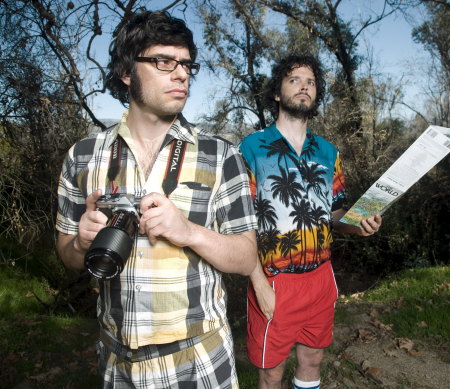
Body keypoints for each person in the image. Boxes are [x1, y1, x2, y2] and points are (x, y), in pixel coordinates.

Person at [55, 10, 257, 388]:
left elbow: (246, 257)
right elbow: (66, 254)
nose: (181, 73)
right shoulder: (81, 156)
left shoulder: (220, 155)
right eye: (164, 61)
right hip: (117, 363)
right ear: (127, 72)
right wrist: (82, 241)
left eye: (186, 64)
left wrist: (189, 232)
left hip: (199, 360)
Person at [238, 55, 382, 389]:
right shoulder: (252, 148)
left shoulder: (328, 151)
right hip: (274, 280)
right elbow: (240, 222)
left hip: (321, 278)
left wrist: (359, 225)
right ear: (277, 92)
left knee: (313, 359)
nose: (304, 86)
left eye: (311, 82)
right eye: (295, 80)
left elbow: (333, 214)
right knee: (271, 372)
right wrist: (258, 283)